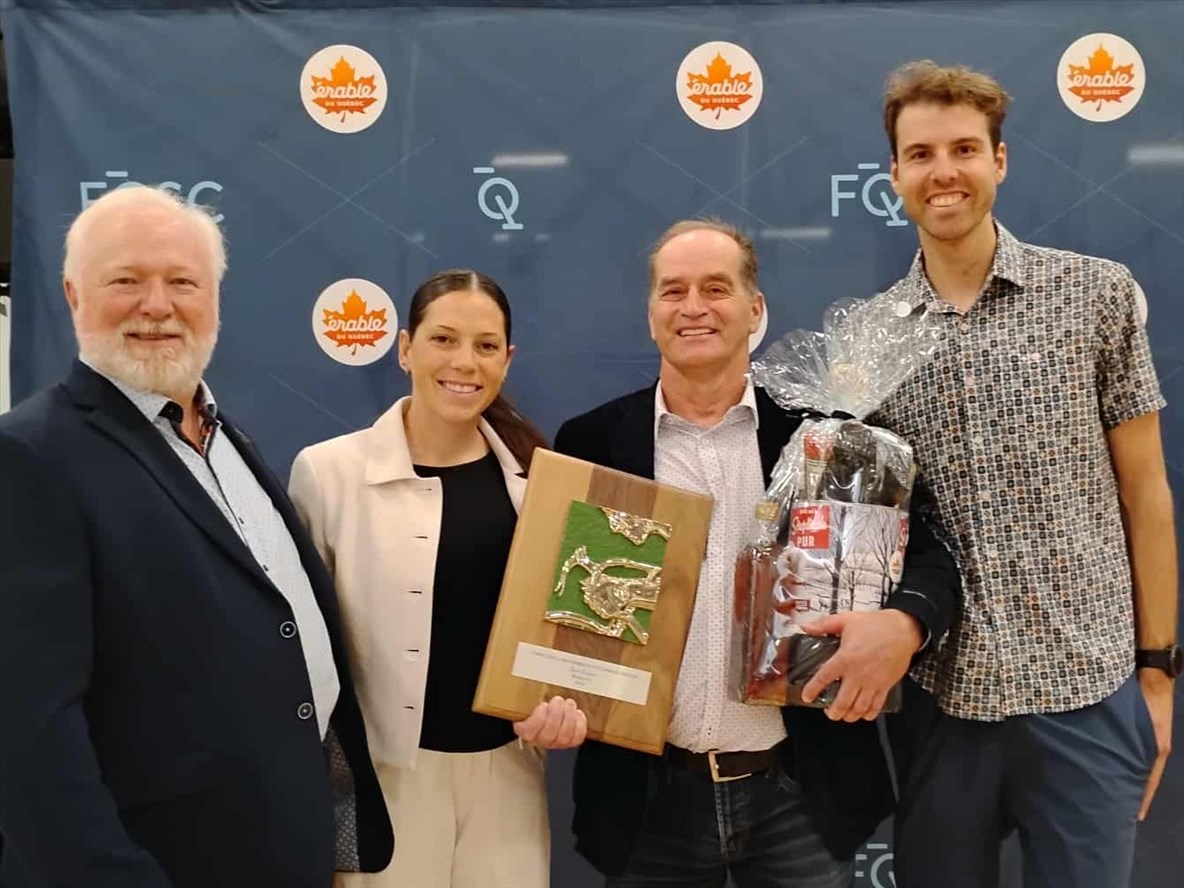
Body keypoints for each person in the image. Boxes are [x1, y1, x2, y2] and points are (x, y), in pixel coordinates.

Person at [0, 185, 393, 886]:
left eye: (182, 281)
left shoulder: (223, 436)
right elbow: (27, 733)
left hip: (282, 852)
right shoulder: (30, 458)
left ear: (214, 297)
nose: (158, 305)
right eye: (126, 280)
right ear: (71, 293)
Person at [553, 219, 962, 887]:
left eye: (716, 287)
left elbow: (934, 562)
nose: (693, 307)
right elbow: (563, 603)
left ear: (755, 310)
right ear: (651, 314)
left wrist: (905, 623)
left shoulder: (835, 439)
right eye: (673, 290)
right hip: (647, 798)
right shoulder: (592, 442)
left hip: (797, 792)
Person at [870, 60, 1178, 888]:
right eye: (922, 153)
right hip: (944, 702)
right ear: (895, 173)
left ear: (999, 162)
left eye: (965, 148)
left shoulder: (1095, 295)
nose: (945, 172)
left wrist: (1156, 672)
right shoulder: (872, 342)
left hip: (1087, 686)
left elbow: (1146, 494)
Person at [289, 269, 587, 888]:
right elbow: (300, 649)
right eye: (443, 339)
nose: (464, 363)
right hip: (383, 781)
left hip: (510, 779)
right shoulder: (327, 474)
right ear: (405, 349)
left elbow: (571, 635)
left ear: (508, 361)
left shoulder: (541, 483)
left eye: (485, 346)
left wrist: (567, 705)